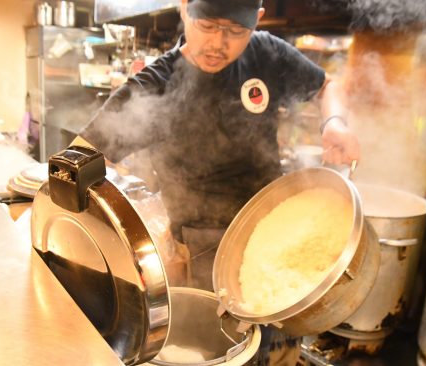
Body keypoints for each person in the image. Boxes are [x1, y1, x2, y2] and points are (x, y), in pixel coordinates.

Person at [78, 0, 360, 364]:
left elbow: (326, 86)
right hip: (198, 255)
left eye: (236, 31)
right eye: (208, 26)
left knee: (278, 352)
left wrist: (334, 122)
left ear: (256, 22)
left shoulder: (266, 52)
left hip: (277, 235)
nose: (219, 44)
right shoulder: (156, 84)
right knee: (220, 353)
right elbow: (80, 157)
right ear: (184, 9)